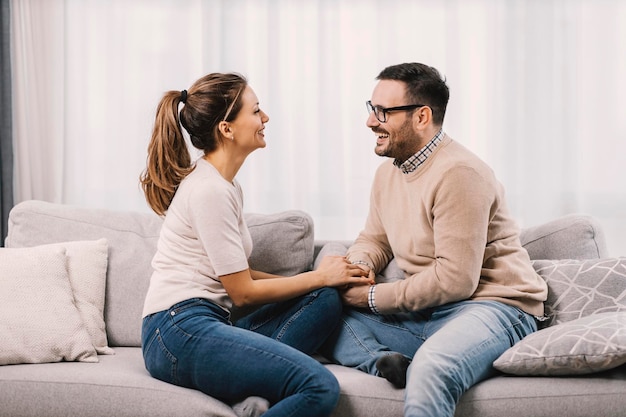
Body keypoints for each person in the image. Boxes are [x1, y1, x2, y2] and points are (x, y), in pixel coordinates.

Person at [319, 63, 548, 417]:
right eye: (371, 108)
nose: (370, 121)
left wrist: (371, 296)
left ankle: (415, 362)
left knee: (432, 367)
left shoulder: (460, 173)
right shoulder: (388, 174)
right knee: (321, 312)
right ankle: (384, 361)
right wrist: (360, 266)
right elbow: (375, 239)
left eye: (383, 112)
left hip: (492, 307)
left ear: (422, 116)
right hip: (429, 312)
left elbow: (456, 279)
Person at [139, 72, 372, 417]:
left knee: (323, 298)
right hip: (176, 331)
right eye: (256, 111)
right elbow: (242, 293)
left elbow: (241, 273)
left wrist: (327, 279)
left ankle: (254, 390)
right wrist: (321, 275)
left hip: (206, 323)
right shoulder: (209, 191)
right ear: (227, 128)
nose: (265, 118)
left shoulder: (226, 186)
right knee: (319, 386)